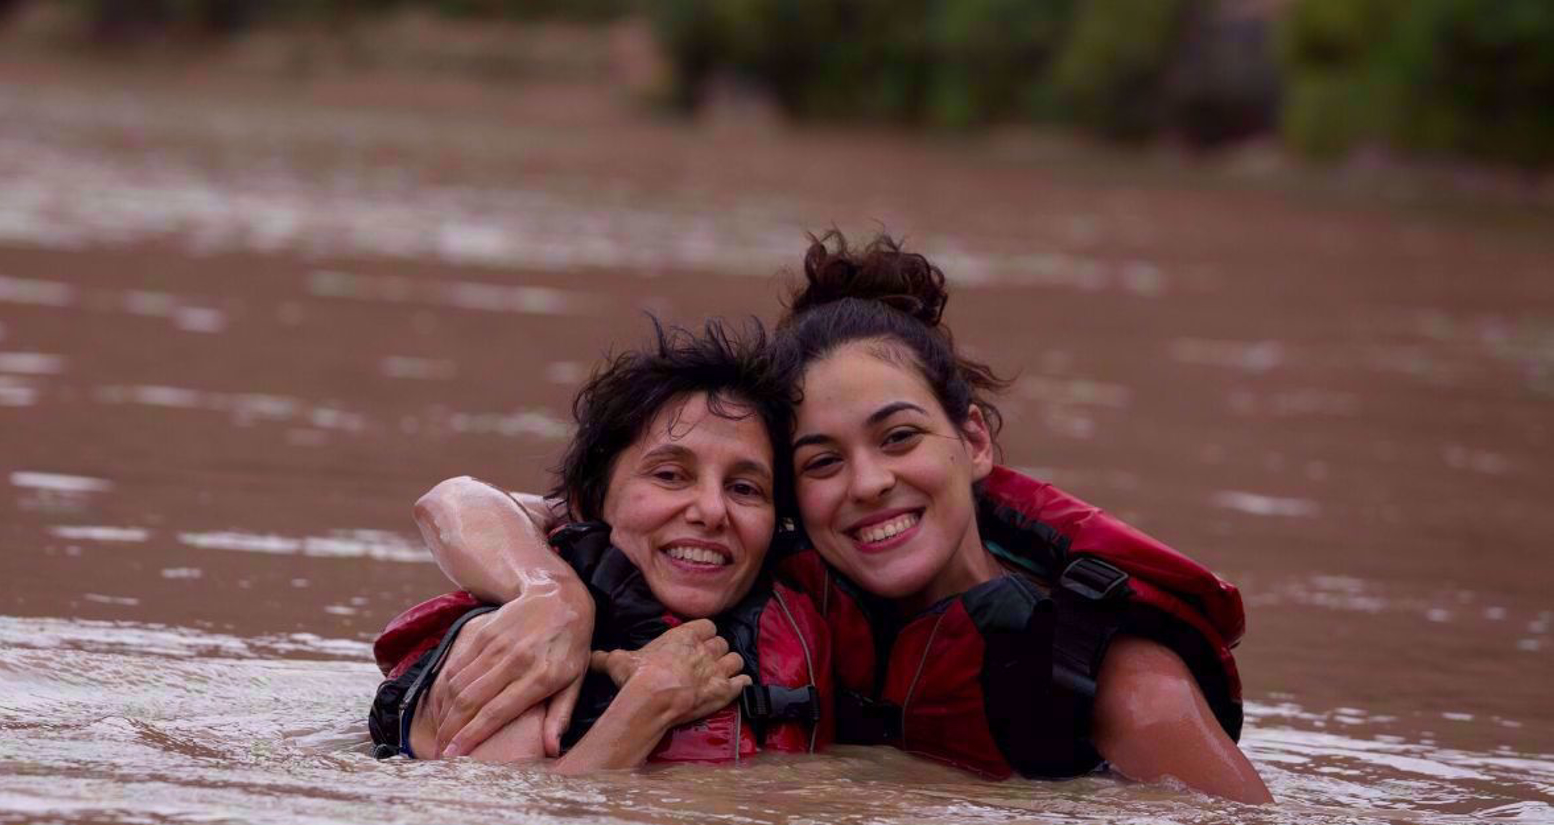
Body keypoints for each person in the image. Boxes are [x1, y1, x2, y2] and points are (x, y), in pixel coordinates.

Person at [409, 232, 1273, 803]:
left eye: (898, 437)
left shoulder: (1105, 670)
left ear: (972, 440)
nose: (866, 484)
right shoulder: (759, 556)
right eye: (821, 460)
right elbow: (463, 501)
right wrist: (551, 594)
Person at [368, 319, 830, 772]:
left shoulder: (808, 615)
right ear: (590, 501)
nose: (712, 510)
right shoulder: (514, 643)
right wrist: (648, 704)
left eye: (745, 488)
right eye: (670, 475)